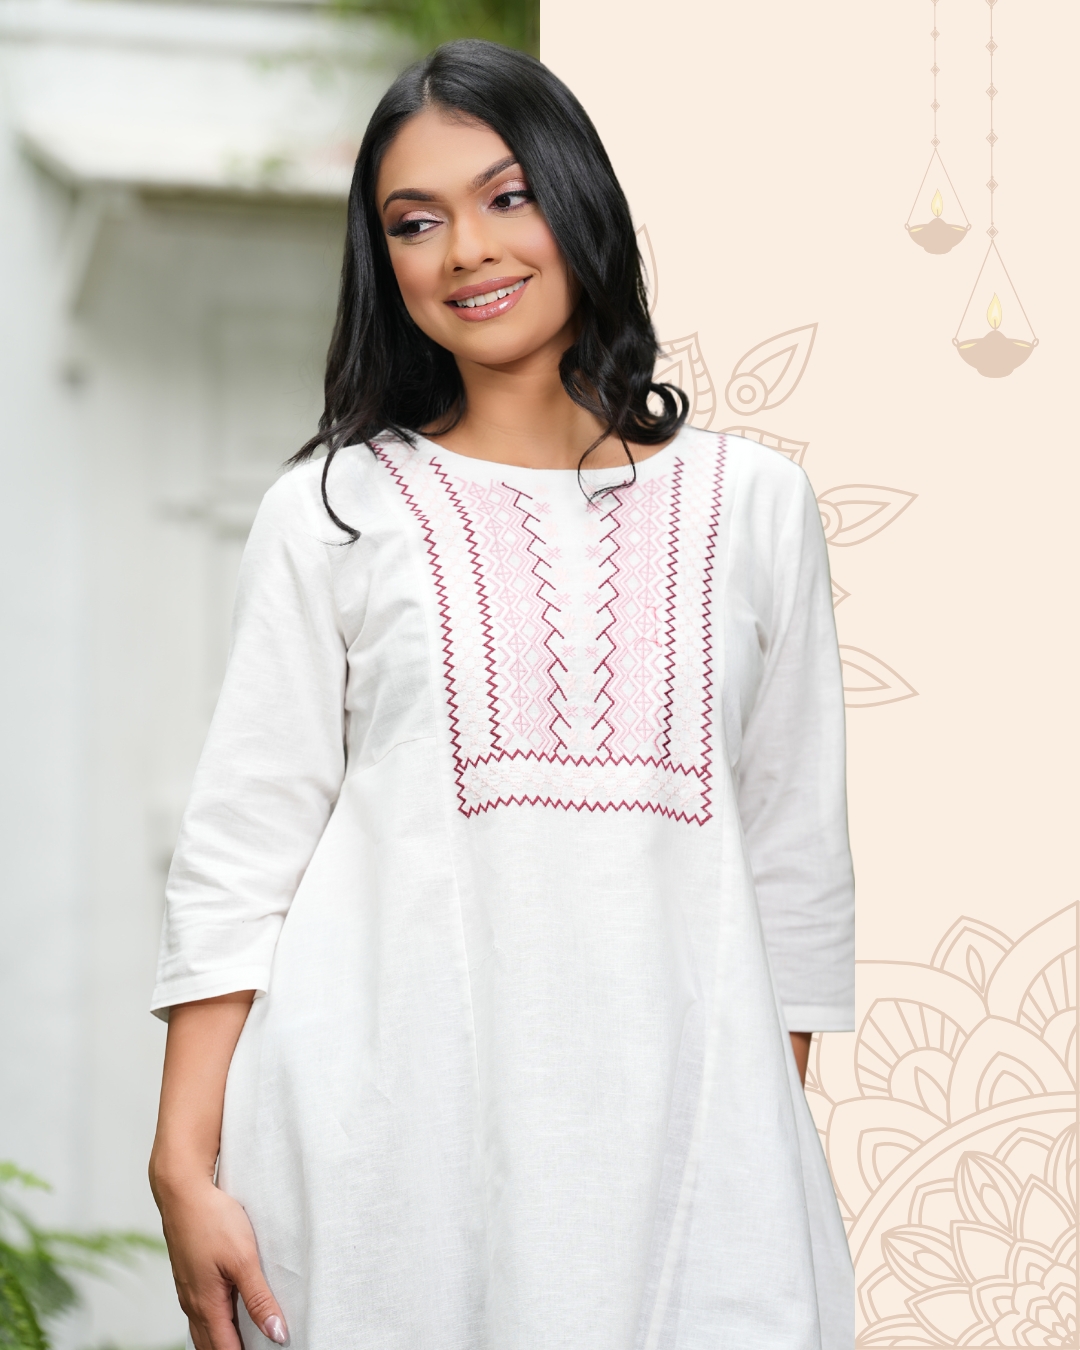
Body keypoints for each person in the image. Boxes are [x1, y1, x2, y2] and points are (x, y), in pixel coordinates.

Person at [149, 38, 856, 1350]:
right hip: (380, 1159)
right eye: (414, 222)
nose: (465, 249)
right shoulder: (334, 509)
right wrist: (182, 1166)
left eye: (506, 196)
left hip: (685, 1170)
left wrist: (743, 1156)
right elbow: (242, 850)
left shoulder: (754, 505)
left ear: (582, 201)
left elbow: (793, 859)